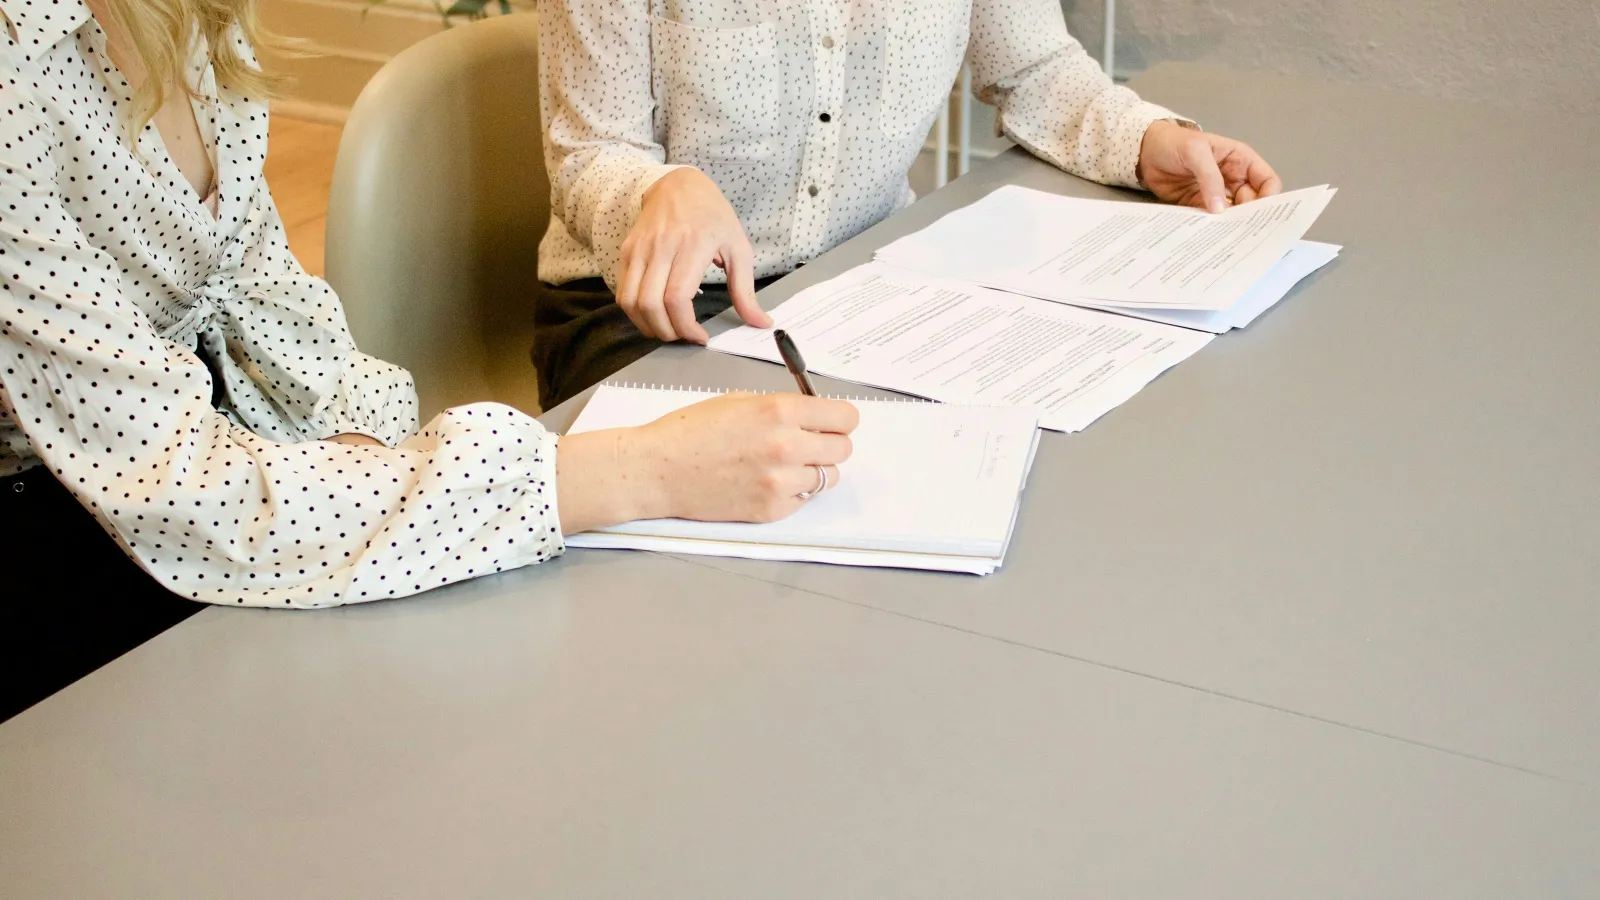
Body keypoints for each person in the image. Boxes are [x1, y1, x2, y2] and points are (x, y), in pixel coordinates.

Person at [0, 0, 857, 722]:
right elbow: (182, 489)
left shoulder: (190, 20)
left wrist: (369, 452)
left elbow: (267, 302)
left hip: (202, 469)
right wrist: (638, 473)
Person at [533, 0, 1284, 408]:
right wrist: (657, 190)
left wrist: (1147, 138)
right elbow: (588, 152)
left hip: (861, 289)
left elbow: (1036, 68)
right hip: (643, 309)